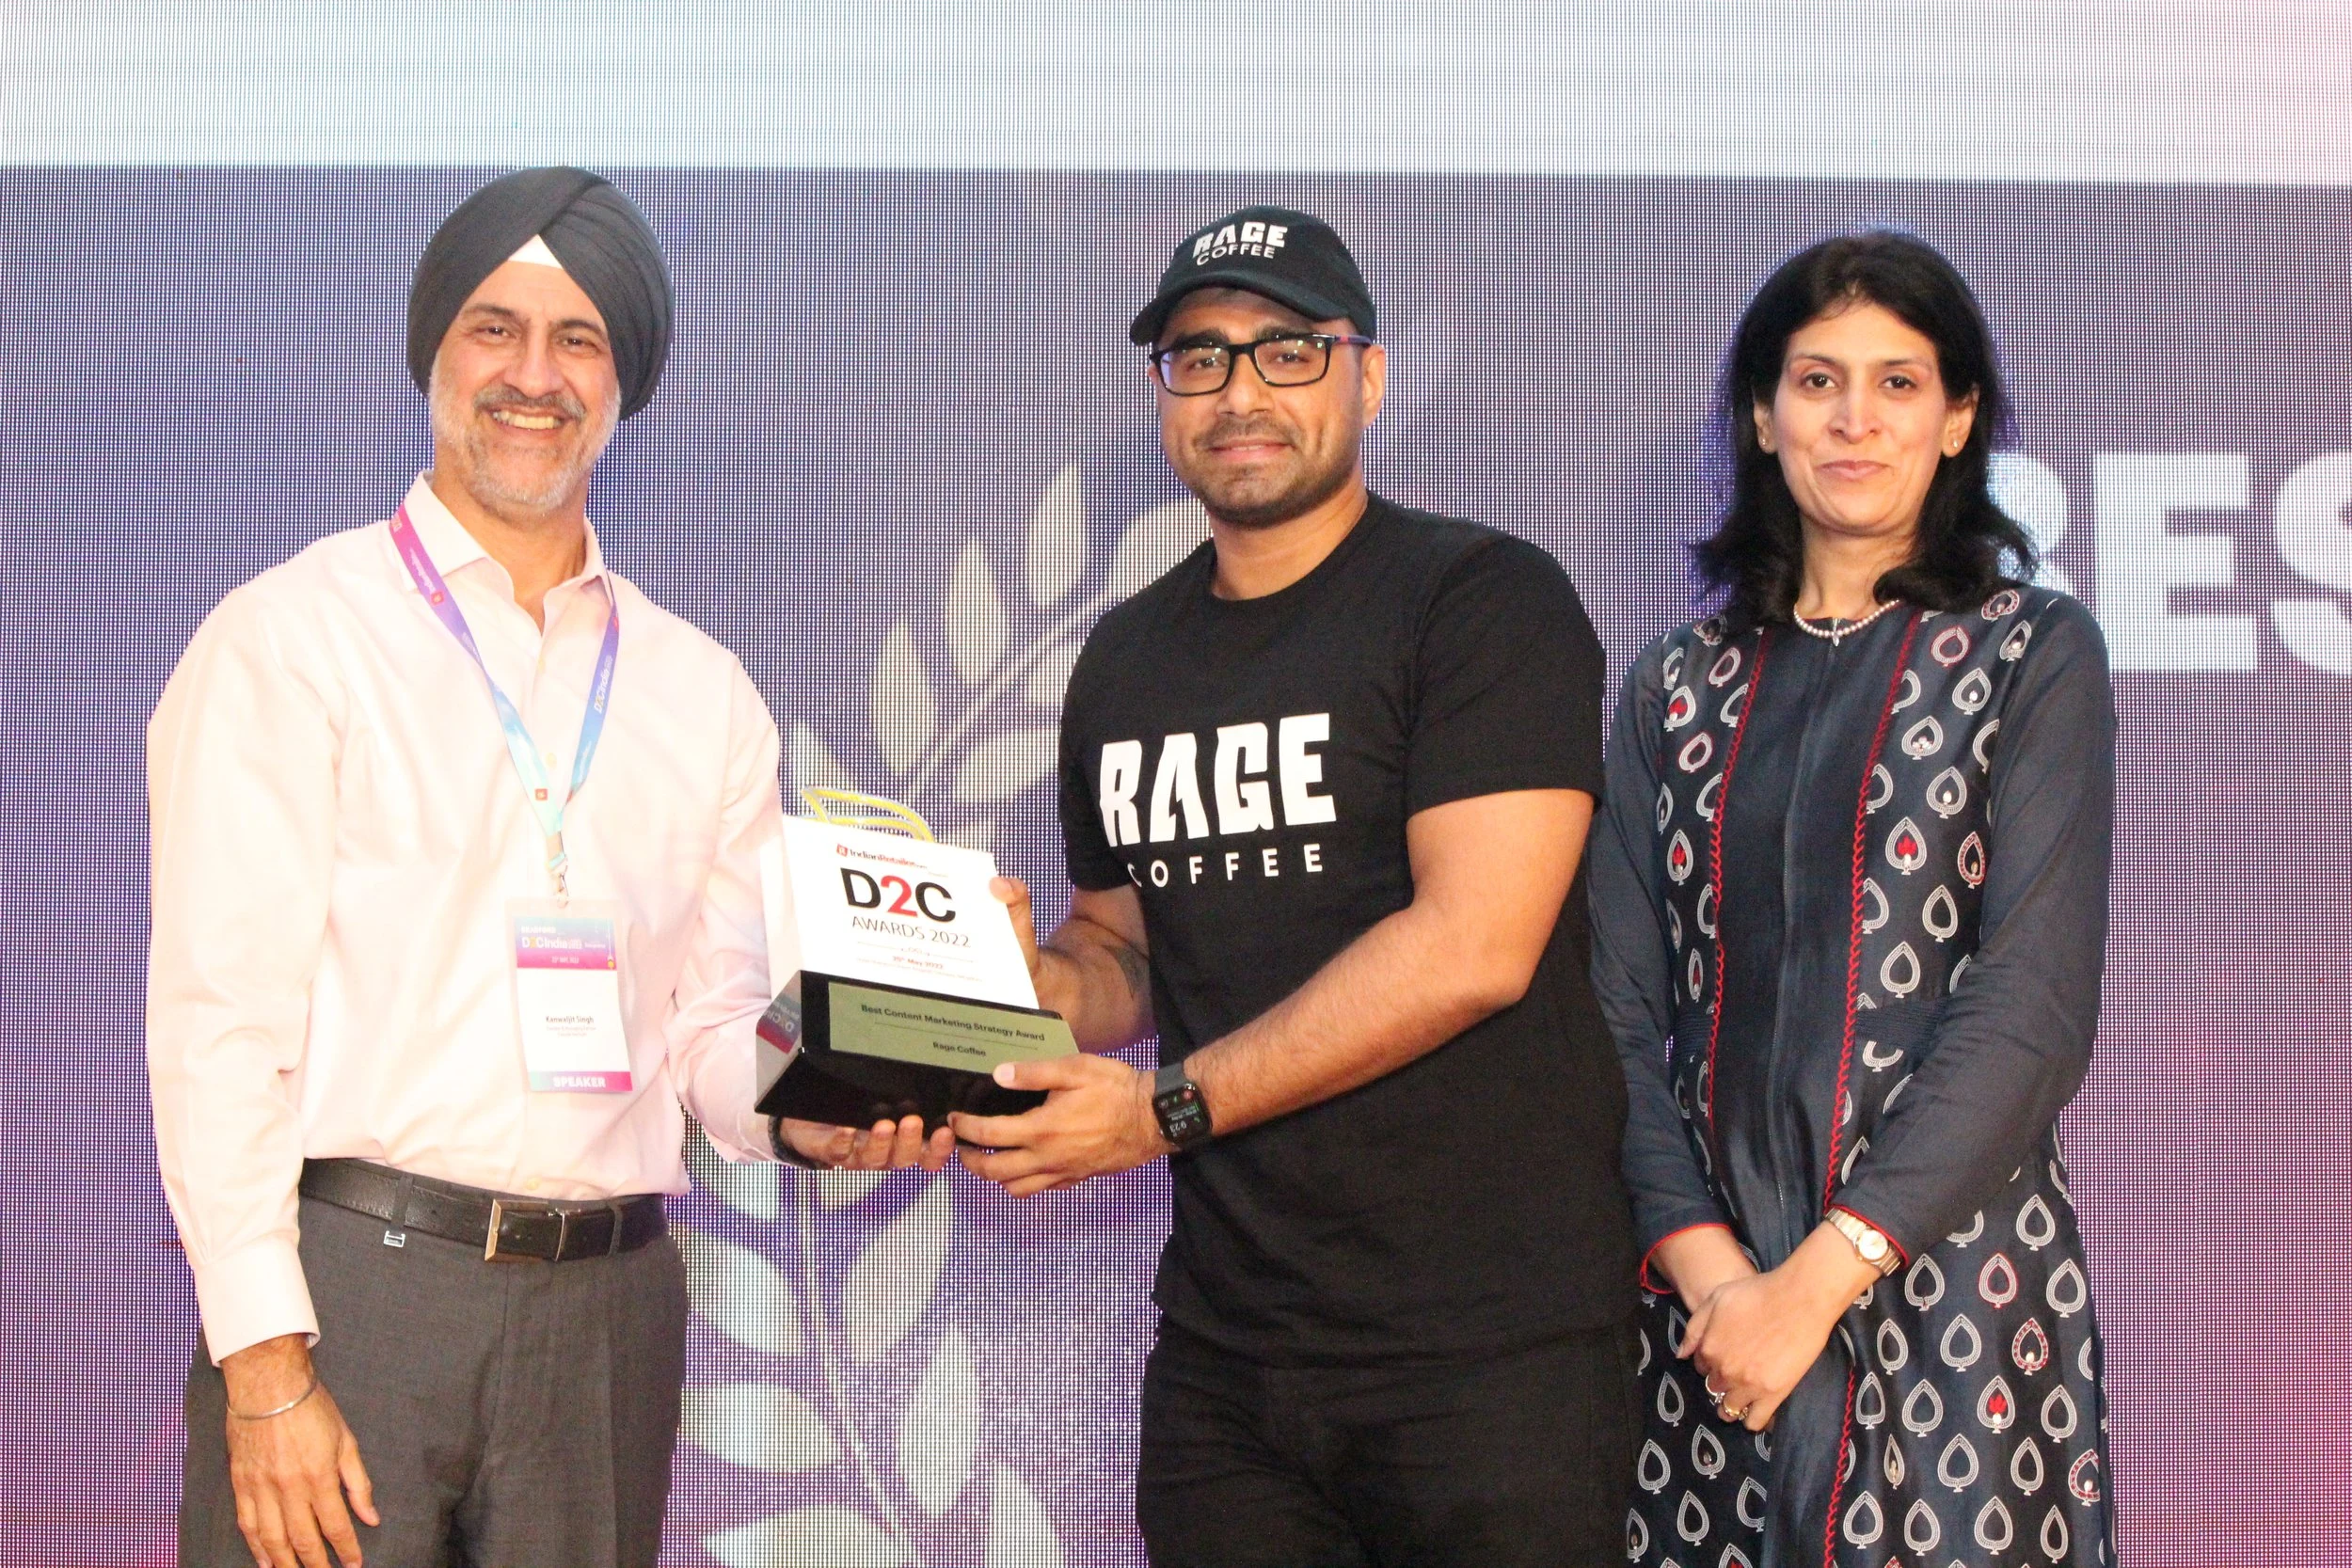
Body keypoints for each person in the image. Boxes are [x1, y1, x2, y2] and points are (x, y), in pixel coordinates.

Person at [148, 166, 951, 1568]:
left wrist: (818, 1108)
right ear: (432, 358)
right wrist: (265, 1366)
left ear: (625, 382)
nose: (534, 375)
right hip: (352, 1300)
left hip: (607, 1320)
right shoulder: (291, 638)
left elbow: (708, 1032)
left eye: (578, 338)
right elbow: (220, 1028)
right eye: (493, 329)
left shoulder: (700, 692)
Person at [951, 205, 1640, 1566]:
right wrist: (1019, 985)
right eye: (1200, 358)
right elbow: (1126, 953)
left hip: (1488, 1357)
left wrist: (1162, 1111)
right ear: (1165, 396)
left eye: (1287, 350)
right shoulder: (1124, 662)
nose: (1241, 391)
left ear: (1366, 376)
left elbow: (1475, 945)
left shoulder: (1482, 601)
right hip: (1231, 1363)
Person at [1589, 230, 2119, 1566]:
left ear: (1958, 421)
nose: (1855, 419)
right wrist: (1724, 1285)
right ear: (1763, 418)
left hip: (1956, 1284)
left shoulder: (2029, 653)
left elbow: (2032, 1010)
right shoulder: (1674, 683)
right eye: (1817, 381)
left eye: (1898, 383)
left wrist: (1819, 1280)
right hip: (1710, 1317)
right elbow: (1611, 1013)